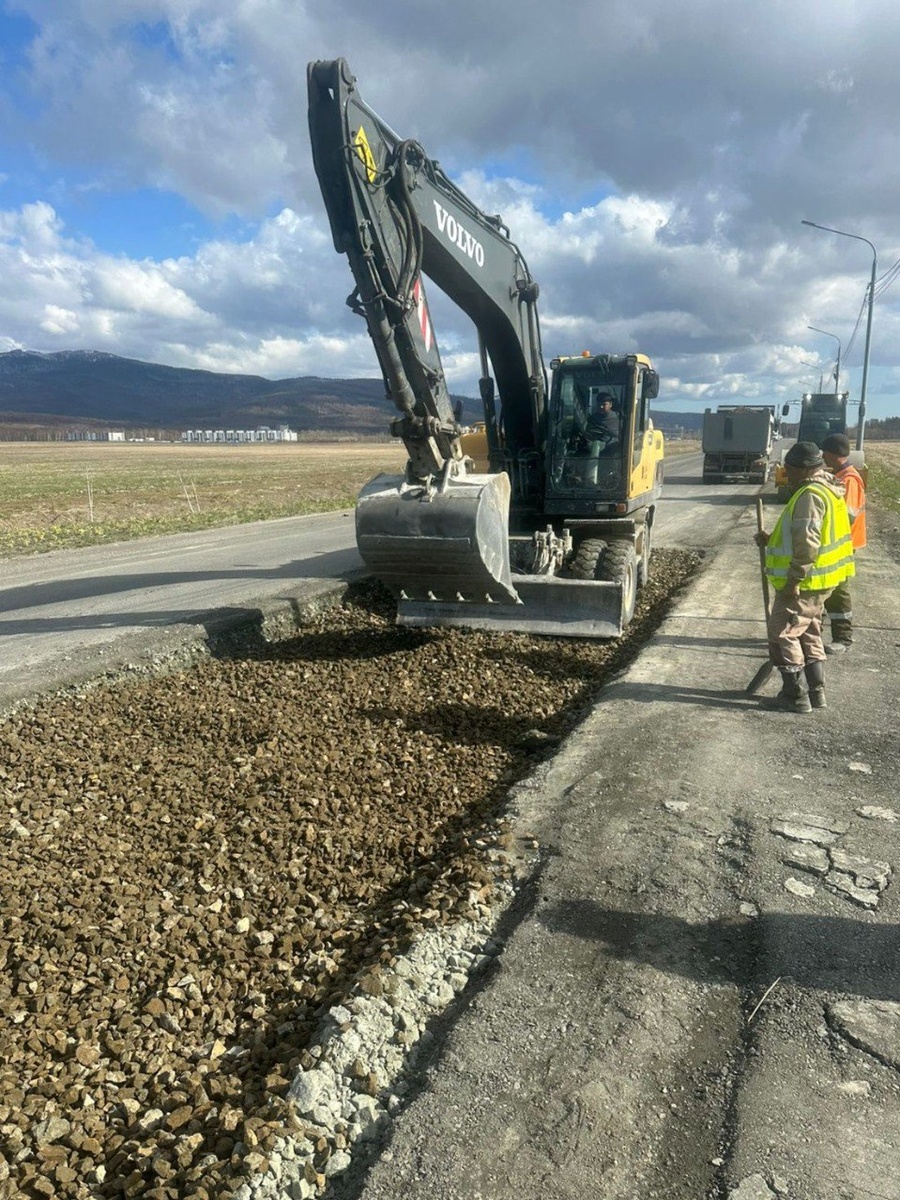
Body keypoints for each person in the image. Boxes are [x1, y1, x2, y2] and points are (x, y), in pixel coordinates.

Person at [755, 441, 855, 713]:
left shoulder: (809, 495)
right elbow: (807, 535)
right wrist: (770, 539)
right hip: (820, 581)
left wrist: (793, 582)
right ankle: (816, 693)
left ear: (802, 469)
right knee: (809, 631)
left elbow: (807, 544)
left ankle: (794, 696)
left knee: (782, 634)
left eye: (789, 469)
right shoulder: (829, 490)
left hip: (805, 582)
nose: (786, 474)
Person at [821, 432, 866, 653]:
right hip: (837, 543)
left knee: (838, 590)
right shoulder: (840, 475)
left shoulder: (849, 479)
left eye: (825, 453)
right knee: (824, 586)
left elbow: (846, 516)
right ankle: (813, 631)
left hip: (844, 544)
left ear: (833, 454)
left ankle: (843, 638)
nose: (823, 457)